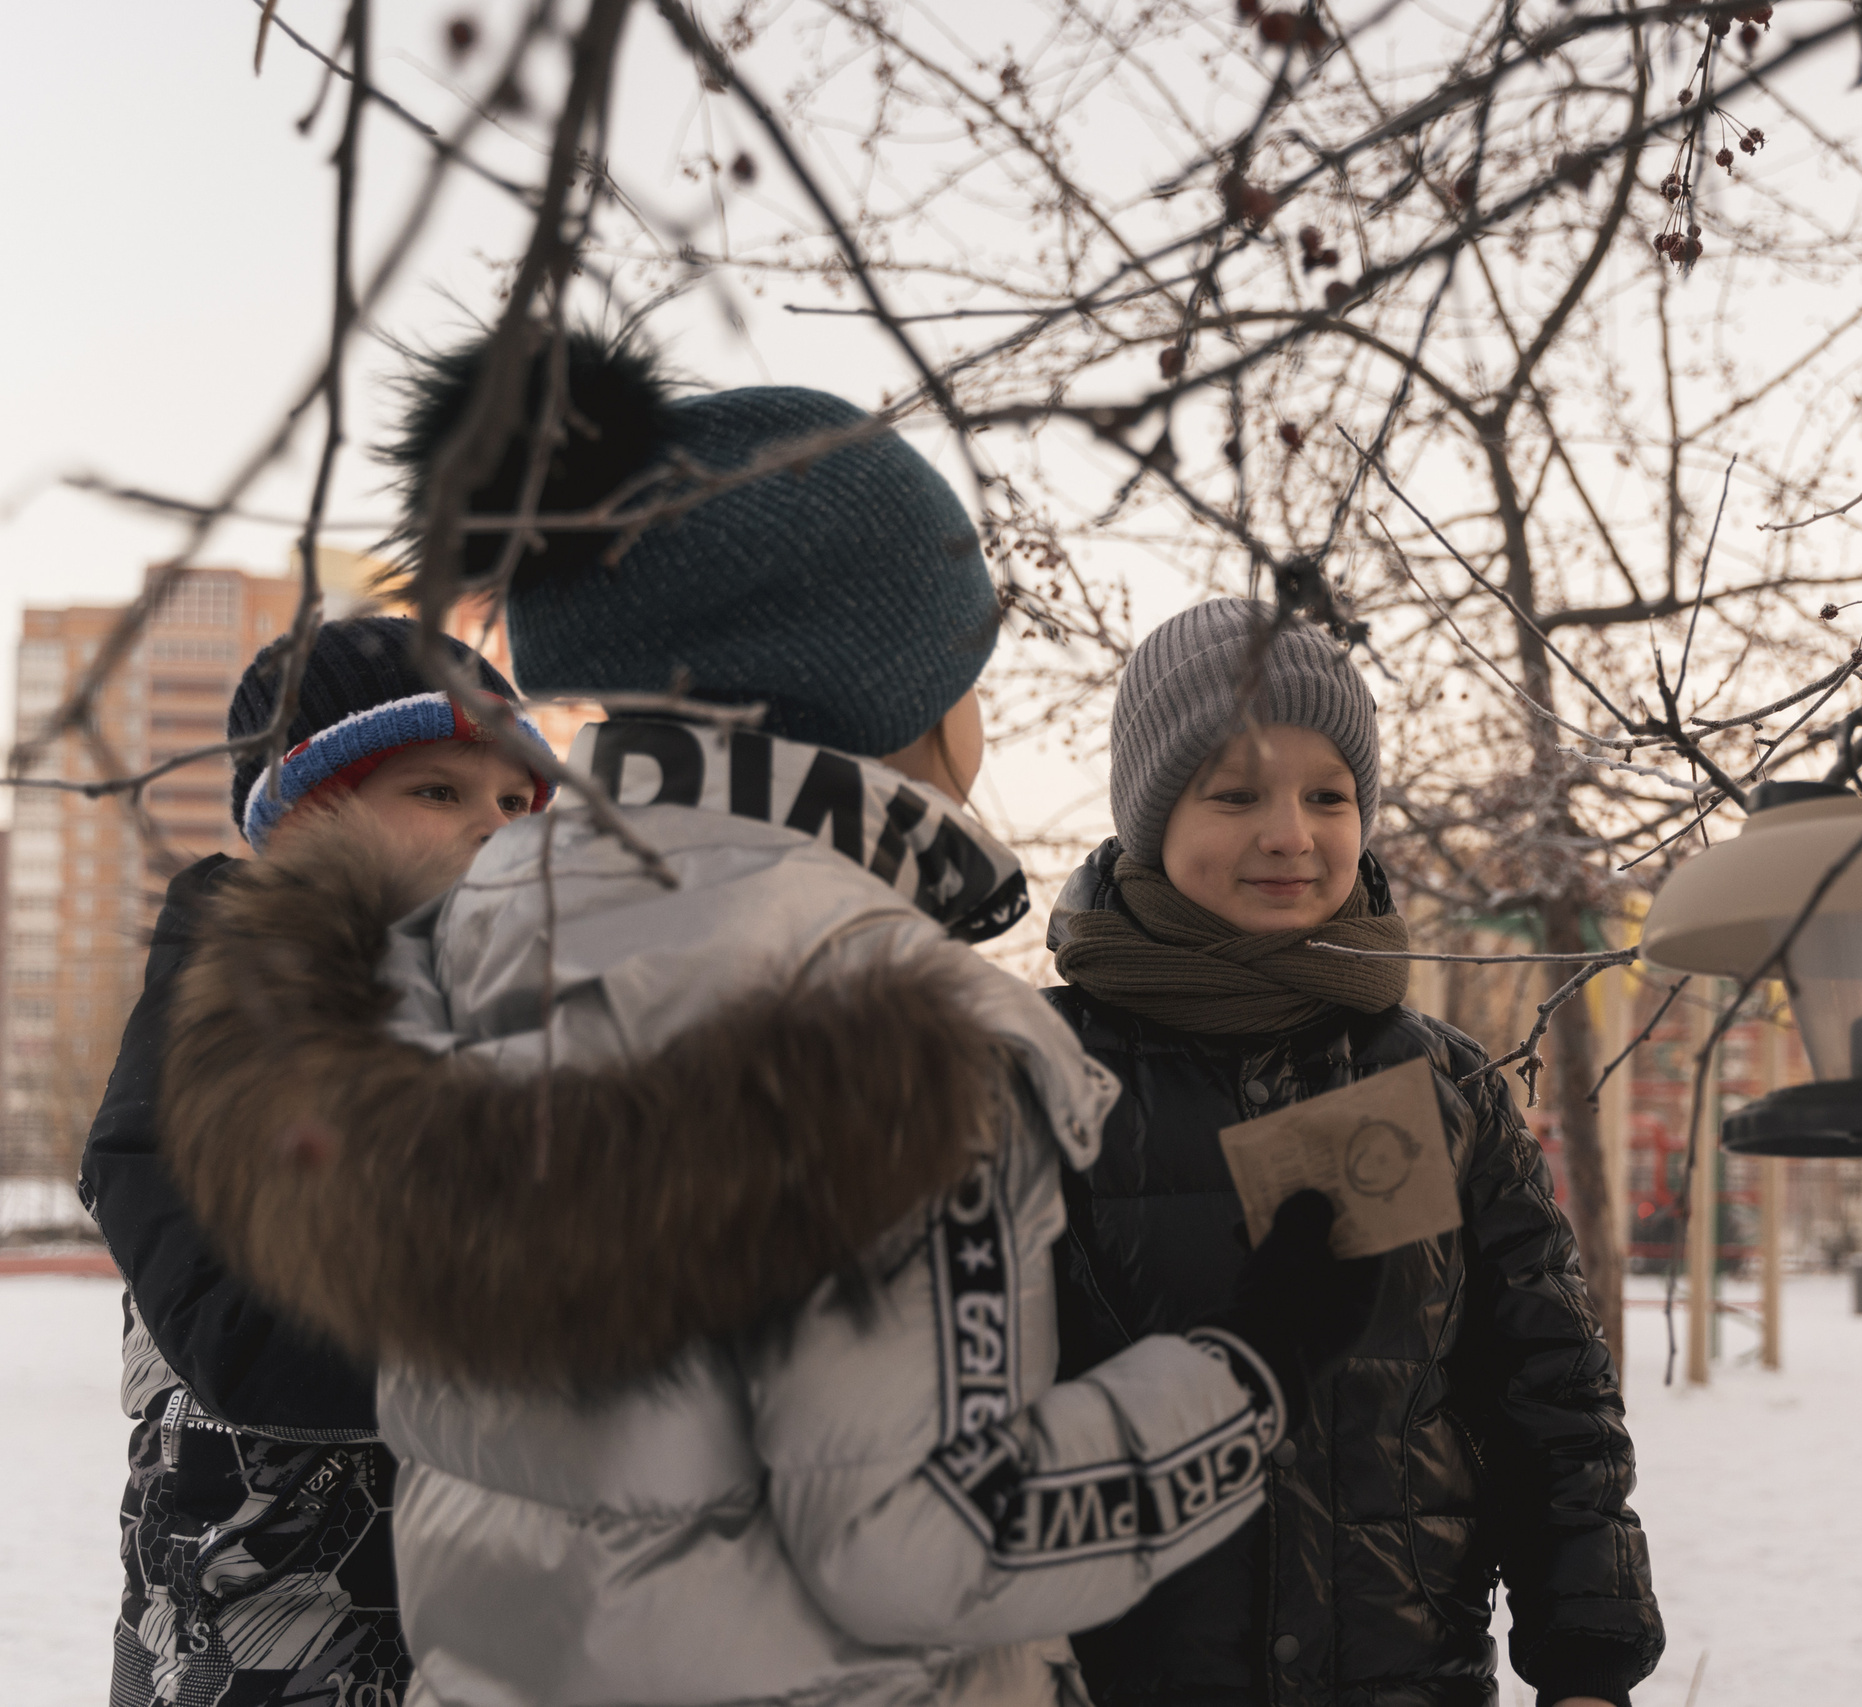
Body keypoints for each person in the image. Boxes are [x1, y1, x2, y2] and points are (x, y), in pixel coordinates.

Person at [152, 331, 1379, 1707]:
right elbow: (936, 1540)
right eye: (965, 661)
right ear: (888, 691)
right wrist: (1249, 1373)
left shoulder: (475, 943)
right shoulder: (888, 1027)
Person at [1043, 599, 1665, 1707]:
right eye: (1236, 794)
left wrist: (1588, 1661)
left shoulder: (1436, 1084)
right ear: (1149, 814)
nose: (1291, 834)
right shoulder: (1037, 1077)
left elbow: (1550, 1397)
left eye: (1328, 796)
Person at [80, 614, 553, 1707]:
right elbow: (250, 1335)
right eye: (438, 790)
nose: (494, 829)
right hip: (268, 1647)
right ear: (302, 819)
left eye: (516, 802)